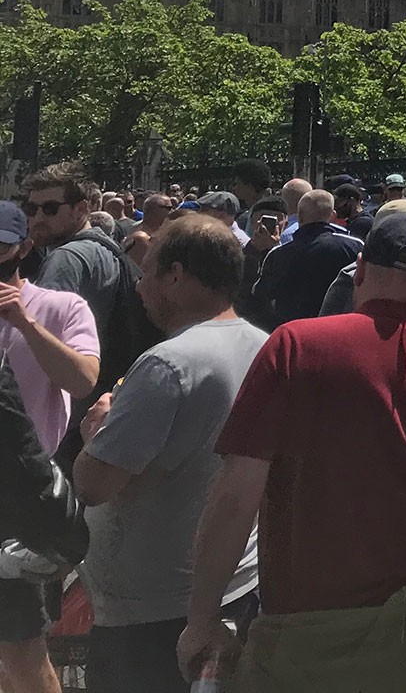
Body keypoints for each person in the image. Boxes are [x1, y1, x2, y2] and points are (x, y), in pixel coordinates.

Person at [178, 214, 406, 691]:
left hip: (306, 634)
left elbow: (234, 498)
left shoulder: (294, 346)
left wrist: (202, 618)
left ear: (360, 268)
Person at [72, 214, 266, 693]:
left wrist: (94, 431)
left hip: (151, 613)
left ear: (175, 276)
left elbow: (94, 484)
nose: (139, 288)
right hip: (230, 589)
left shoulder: (168, 364)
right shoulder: (264, 347)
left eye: (146, 273)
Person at [0, 196, 97, 693]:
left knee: (21, 649)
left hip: (22, 502)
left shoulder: (61, 306)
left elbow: (84, 380)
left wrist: (25, 324)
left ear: (22, 247)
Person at [20, 164, 158, 447]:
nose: (37, 218)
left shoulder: (66, 259)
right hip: (97, 407)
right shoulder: (106, 248)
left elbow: (37, 343)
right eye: (31, 209)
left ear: (80, 209)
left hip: (62, 419)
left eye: (49, 208)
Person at [250, 189, 363, 329]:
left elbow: (260, 297)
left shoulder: (278, 254)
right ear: (333, 216)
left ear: (300, 216)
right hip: (339, 330)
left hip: (292, 333)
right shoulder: (355, 247)